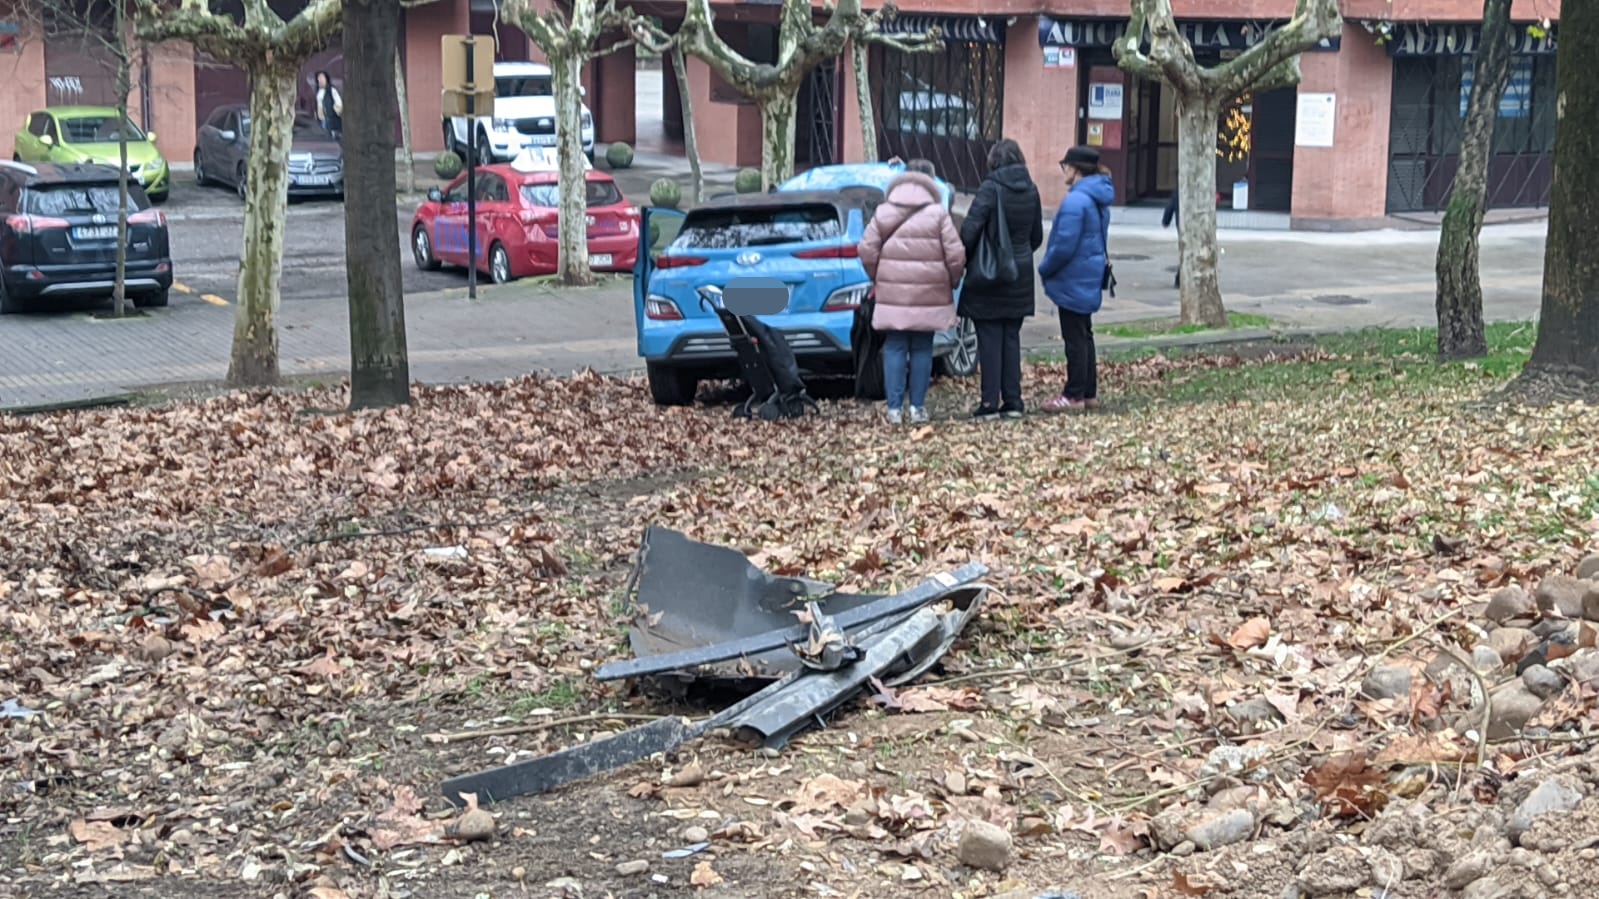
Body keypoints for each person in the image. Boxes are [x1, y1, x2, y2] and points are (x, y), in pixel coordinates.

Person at [857, 159, 965, 425]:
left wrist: (878, 276)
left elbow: (866, 250)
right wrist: (951, 281)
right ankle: (917, 407)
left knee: (894, 345)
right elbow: (956, 255)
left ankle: (894, 409)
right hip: (930, 290)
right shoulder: (938, 214)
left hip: (892, 290)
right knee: (922, 347)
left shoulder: (883, 212)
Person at [958, 139, 1044, 420]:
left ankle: (989, 403)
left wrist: (964, 258)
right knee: (1010, 337)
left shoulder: (989, 188)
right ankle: (1013, 400)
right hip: (1020, 273)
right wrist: (1018, 253)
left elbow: (970, 230)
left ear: (994, 162)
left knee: (989, 339)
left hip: (990, 274)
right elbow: (1036, 237)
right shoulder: (1031, 190)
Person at [1038, 146, 1114, 413]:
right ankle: (1088, 392)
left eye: (1065, 166)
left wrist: (1045, 268)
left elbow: (1063, 245)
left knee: (1074, 337)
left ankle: (1073, 394)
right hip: (1088, 274)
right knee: (1085, 334)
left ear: (1076, 168)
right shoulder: (1097, 198)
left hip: (1072, 277)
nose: (1064, 172)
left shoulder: (1075, 201)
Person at [314, 71, 343, 142]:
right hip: (321, 119)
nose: (320, 80)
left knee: (333, 138)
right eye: (319, 79)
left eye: (322, 78)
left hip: (330, 118)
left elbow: (338, 103)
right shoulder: (318, 91)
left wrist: (335, 112)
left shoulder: (331, 90)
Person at [1162, 191, 1181, 288]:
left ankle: (1180, 279)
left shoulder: (1178, 191)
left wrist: (1166, 221)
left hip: (1182, 226)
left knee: (1185, 253)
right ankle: (1180, 279)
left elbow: (1170, 207)